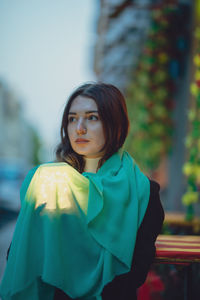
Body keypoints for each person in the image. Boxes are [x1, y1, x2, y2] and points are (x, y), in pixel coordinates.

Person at [0, 83, 164, 300]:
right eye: (72, 119)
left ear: (116, 124)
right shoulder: (49, 183)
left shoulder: (143, 192)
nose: (79, 128)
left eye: (92, 117)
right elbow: (19, 254)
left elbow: (135, 271)